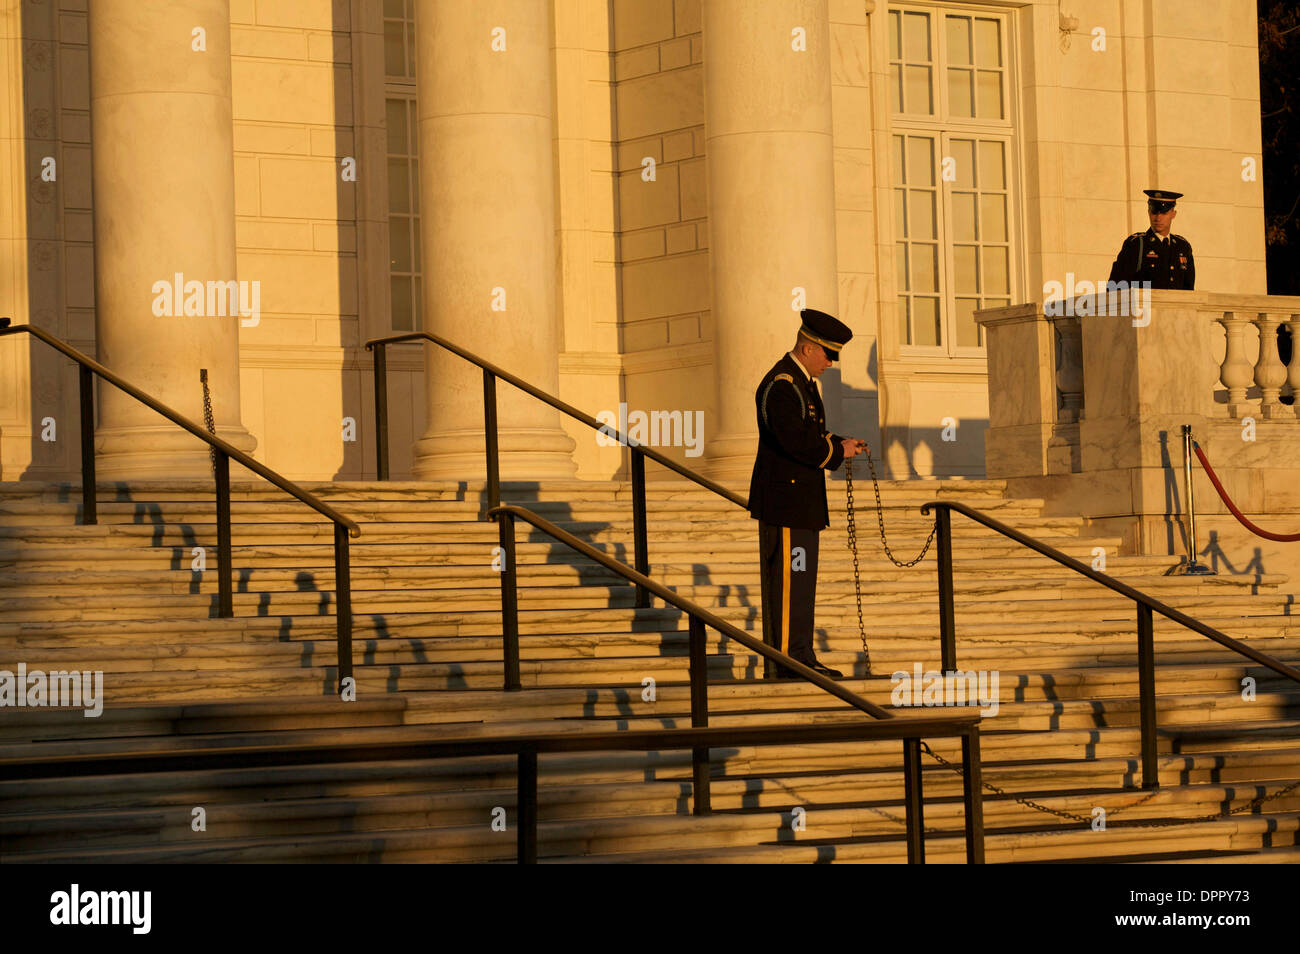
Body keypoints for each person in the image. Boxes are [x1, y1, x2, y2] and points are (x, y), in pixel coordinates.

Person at [748, 308, 867, 680]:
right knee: (788, 583)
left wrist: (837, 441)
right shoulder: (782, 384)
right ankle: (788, 661)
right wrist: (835, 453)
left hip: (801, 506)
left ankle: (801, 654)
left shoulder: (801, 384)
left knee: (800, 584)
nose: (831, 363)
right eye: (828, 355)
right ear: (808, 347)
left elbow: (811, 433)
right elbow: (793, 441)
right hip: (786, 506)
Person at [1107, 189, 1195, 290]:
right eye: (1154, 212)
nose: (1158, 218)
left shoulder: (1182, 246)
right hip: (1144, 305)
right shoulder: (1137, 244)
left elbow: (1189, 290)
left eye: (1164, 213)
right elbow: (1115, 287)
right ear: (1149, 212)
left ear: (1173, 214)